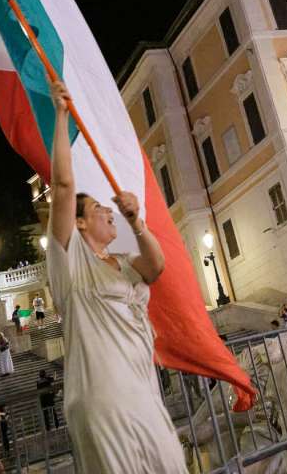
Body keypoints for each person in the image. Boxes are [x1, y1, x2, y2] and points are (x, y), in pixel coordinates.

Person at [45, 80, 187, 473]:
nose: (108, 212)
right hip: (102, 399)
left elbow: (156, 267)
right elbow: (62, 186)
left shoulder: (124, 262)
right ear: (79, 222)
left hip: (144, 393)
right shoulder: (69, 261)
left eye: (110, 211)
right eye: (98, 210)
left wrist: (135, 222)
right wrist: (61, 116)